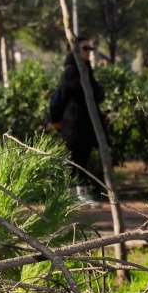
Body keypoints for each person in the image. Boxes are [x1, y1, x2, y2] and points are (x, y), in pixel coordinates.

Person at [48, 38, 106, 207]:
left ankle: (79, 193)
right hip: (74, 123)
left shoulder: (85, 70)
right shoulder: (71, 71)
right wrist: (95, 90)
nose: (89, 51)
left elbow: (97, 93)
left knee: (82, 158)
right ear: (74, 51)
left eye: (90, 48)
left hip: (84, 123)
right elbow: (84, 93)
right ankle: (76, 194)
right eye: (85, 48)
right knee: (76, 159)